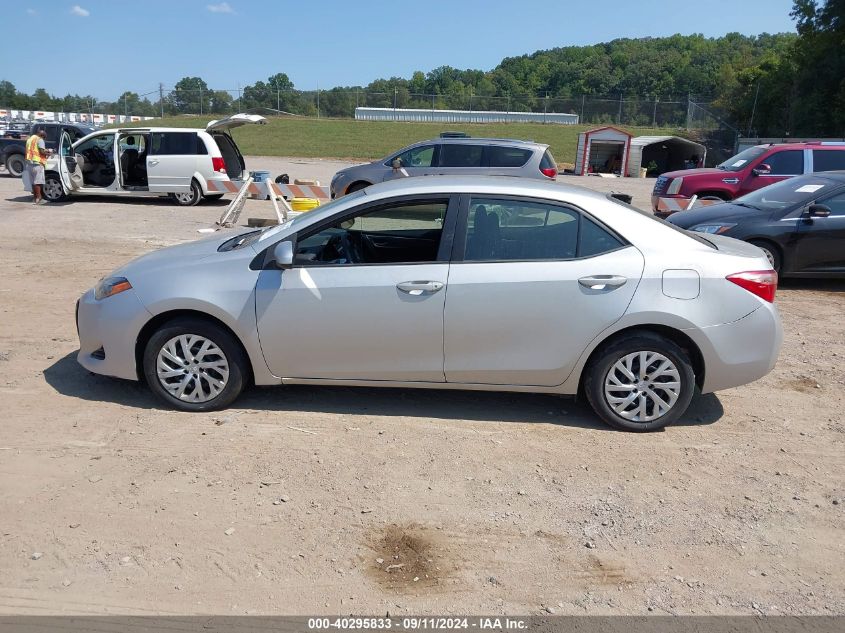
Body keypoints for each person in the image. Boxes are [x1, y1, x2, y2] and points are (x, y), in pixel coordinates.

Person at [25, 129, 51, 204]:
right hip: (37, 163)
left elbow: (33, 150)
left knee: (33, 182)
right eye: (44, 137)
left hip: (29, 163)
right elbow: (41, 151)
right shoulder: (40, 140)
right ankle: (39, 199)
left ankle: (34, 198)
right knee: (38, 182)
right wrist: (49, 153)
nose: (44, 139)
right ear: (42, 135)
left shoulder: (30, 139)